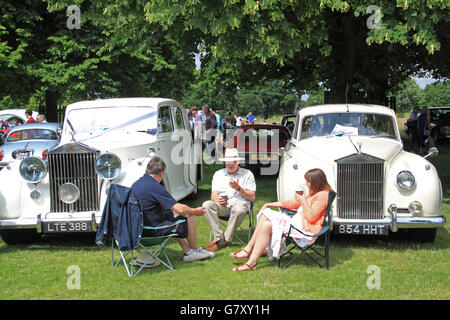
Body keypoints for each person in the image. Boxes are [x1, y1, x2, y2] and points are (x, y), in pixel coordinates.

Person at [229, 168, 332, 271]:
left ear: (316, 182)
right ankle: (250, 258)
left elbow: (312, 217)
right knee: (265, 216)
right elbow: (294, 204)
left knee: (266, 223)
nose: (306, 184)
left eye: (308, 181)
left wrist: (303, 201)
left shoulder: (322, 195)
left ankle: (249, 255)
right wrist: (269, 204)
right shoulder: (315, 193)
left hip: (304, 230)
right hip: (297, 224)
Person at [131, 156, 214, 264]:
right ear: (161, 173)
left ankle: (188, 252)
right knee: (188, 216)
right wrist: (196, 211)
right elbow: (180, 209)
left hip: (135, 229)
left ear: (147, 170)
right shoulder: (154, 187)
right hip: (149, 231)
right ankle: (194, 250)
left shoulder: (136, 184)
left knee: (173, 216)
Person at [203, 148, 256, 251]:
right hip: (223, 206)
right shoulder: (218, 174)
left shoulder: (247, 174)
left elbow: (252, 197)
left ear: (238, 162)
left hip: (239, 205)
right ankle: (219, 239)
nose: (230, 165)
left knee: (240, 207)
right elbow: (213, 194)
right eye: (228, 162)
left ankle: (224, 240)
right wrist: (218, 200)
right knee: (206, 205)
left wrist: (238, 188)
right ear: (224, 162)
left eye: (233, 162)